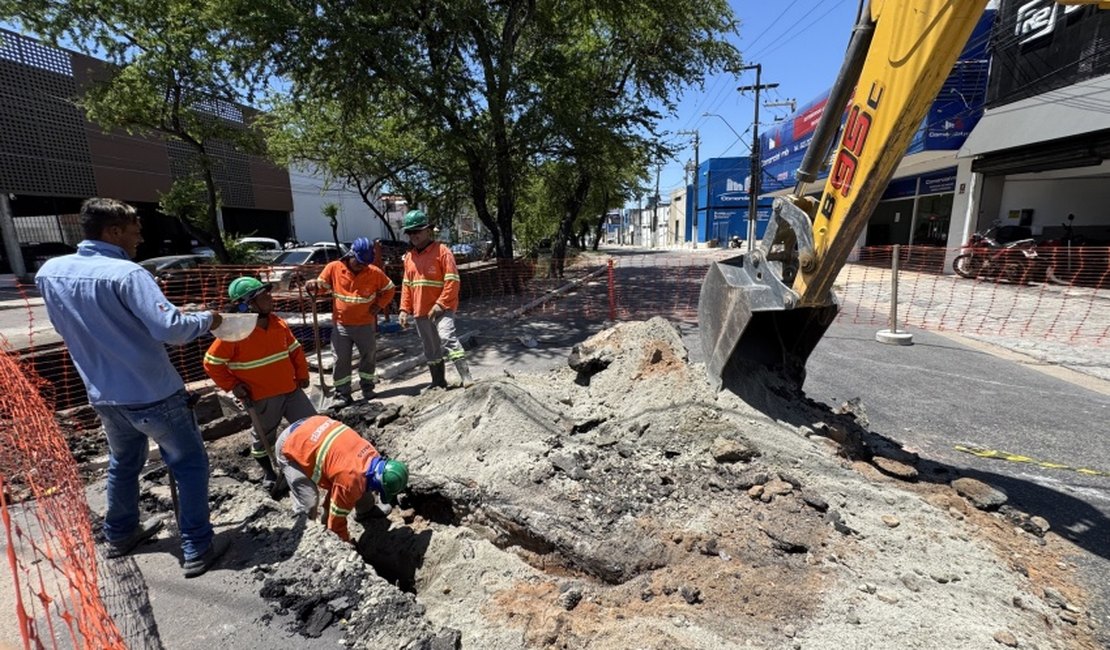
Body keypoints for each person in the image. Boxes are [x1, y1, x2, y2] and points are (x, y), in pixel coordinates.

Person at [35, 197, 230, 578]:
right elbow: (171, 330)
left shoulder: (51, 272)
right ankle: (196, 546)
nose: (140, 239)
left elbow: (67, 328)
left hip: (104, 395)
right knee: (189, 466)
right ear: (113, 231)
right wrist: (209, 318)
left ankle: (120, 534)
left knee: (124, 463)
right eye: (135, 231)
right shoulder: (128, 275)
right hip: (152, 393)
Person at [203, 277, 316, 495]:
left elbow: (295, 350)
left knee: (312, 425)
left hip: (290, 389)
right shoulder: (233, 332)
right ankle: (270, 473)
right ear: (246, 304)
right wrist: (233, 385)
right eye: (262, 295)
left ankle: (314, 464)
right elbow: (212, 363)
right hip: (262, 396)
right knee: (264, 436)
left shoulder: (277, 323)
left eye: (267, 293)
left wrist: (302, 373)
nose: (269, 297)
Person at [275, 415, 409, 542]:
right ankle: (305, 535)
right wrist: (345, 544)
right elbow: (336, 521)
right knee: (309, 502)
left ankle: (365, 511)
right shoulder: (349, 480)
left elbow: (350, 482)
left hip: (314, 426)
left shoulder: (372, 455)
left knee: (362, 481)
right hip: (290, 444)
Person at [304, 237, 395, 405]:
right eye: (359, 262)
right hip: (341, 326)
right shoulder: (334, 268)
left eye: (365, 263)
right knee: (341, 360)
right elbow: (321, 287)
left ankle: (367, 387)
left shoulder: (374, 272)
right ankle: (342, 394)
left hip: (365, 324)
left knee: (368, 356)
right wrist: (312, 285)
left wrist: (379, 305)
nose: (362, 266)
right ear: (351, 254)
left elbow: (390, 289)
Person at [397, 210, 473, 389]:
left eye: (417, 231)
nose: (414, 235)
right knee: (430, 348)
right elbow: (407, 285)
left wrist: (440, 304)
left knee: (447, 337)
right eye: (410, 232)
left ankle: (466, 376)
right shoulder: (409, 257)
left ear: (428, 231)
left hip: (443, 308)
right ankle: (438, 381)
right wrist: (403, 310)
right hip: (420, 311)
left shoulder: (442, 252)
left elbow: (452, 281)